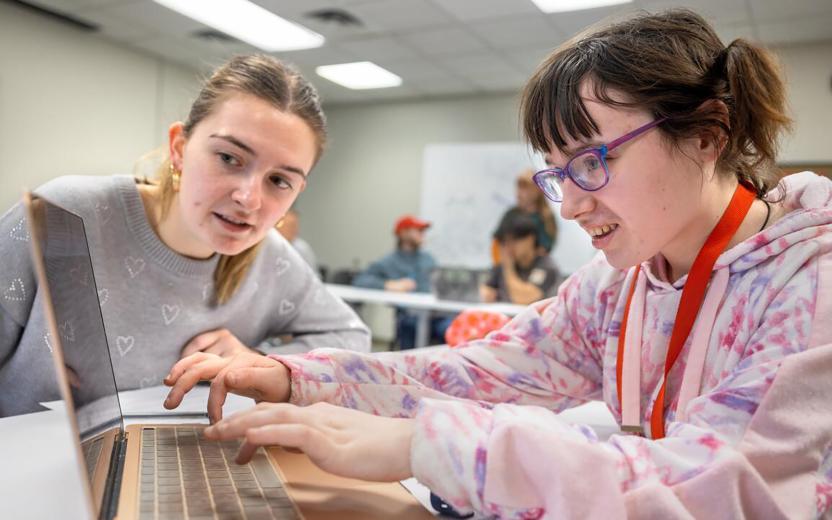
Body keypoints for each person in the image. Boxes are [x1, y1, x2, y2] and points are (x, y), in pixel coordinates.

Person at [164, 10, 832, 519]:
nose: (569, 206)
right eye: (558, 174)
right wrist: (295, 377)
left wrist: (424, 446)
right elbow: (483, 372)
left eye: (593, 163)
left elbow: (725, 488)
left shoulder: (812, 281)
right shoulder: (620, 282)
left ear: (707, 135)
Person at [0, 55, 369, 417]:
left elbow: (354, 340)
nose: (249, 198)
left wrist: (260, 362)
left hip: (171, 462)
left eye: (279, 181)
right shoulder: (63, 214)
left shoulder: (272, 259)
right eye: (229, 158)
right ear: (179, 148)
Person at [352, 215, 449, 348]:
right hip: (410, 318)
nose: (423, 235)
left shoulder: (428, 259)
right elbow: (361, 281)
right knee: (408, 329)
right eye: (419, 231)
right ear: (403, 233)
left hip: (436, 316)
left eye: (423, 231)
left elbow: (442, 284)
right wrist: (389, 285)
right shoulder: (389, 261)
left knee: (451, 330)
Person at [481, 213, 560, 304]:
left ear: (530, 239)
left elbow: (524, 299)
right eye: (505, 242)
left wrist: (509, 269)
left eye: (514, 240)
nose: (509, 247)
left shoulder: (546, 266)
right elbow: (487, 290)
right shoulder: (504, 265)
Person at [492, 168, 558, 260]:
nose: (519, 192)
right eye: (518, 187)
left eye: (524, 188)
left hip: (535, 265)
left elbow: (544, 249)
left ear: (537, 190)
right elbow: (497, 243)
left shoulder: (546, 217)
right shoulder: (511, 214)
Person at [277, 208, 319, 275]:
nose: (296, 230)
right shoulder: (265, 245)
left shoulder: (303, 248)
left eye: (296, 225)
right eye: (291, 225)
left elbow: (314, 276)